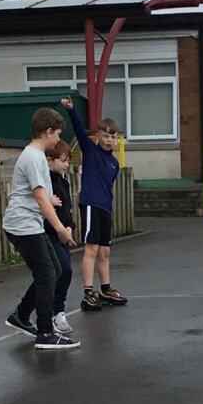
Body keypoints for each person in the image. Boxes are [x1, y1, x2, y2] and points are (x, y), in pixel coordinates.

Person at [1, 108, 79, 351]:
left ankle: (21, 315)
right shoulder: (34, 158)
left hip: (29, 224)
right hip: (22, 224)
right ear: (47, 132)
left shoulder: (34, 156)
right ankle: (45, 332)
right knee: (47, 274)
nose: (58, 140)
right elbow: (40, 197)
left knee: (54, 269)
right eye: (56, 134)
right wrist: (60, 228)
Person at [60, 96, 128, 310]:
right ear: (98, 136)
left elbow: (107, 185)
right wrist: (71, 110)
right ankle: (88, 292)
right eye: (105, 136)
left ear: (117, 138)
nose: (109, 140)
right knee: (91, 248)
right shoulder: (90, 151)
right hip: (90, 204)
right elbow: (80, 131)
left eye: (112, 136)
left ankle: (106, 289)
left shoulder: (114, 164)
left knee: (105, 251)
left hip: (105, 206)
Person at [44, 137, 77, 338]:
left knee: (66, 271)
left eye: (67, 161)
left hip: (63, 232)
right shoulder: (45, 182)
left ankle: (58, 311)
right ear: (50, 160)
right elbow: (40, 203)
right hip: (49, 233)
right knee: (61, 269)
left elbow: (67, 209)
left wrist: (70, 227)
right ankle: (51, 313)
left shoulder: (63, 181)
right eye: (62, 160)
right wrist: (48, 201)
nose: (66, 165)